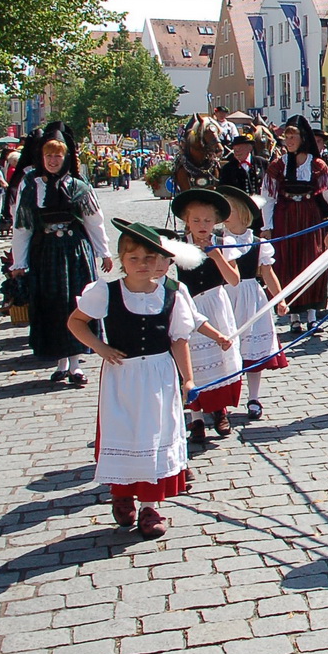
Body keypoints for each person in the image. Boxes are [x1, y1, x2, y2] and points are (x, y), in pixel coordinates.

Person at [68, 220, 230, 540]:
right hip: (122, 377)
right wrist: (100, 347)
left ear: (159, 260)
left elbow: (178, 339)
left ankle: (151, 506)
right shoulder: (106, 292)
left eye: (148, 258)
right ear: (121, 260)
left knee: (156, 434)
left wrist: (188, 380)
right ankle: (123, 492)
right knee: (125, 431)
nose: (142, 265)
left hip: (159, 375)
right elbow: (76, 321)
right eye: (133, 259)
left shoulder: (170, 295)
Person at [11, 123, 114, 387]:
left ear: (66, 157)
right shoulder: (31, 187)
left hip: (74, 251)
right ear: (41, 158)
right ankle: (61, 363)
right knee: (52, 304)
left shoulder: (78, 187)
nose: (53, 161)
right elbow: (22, 226)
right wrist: (19, 261)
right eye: (49, 156)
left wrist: (104, 252)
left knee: (76, 303)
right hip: (44, 253)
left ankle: (76, 364)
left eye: (58, 156)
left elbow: (94, 221)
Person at [170, 188, 244, 445]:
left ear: (217, 222)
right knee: (193, 361)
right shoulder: (177, 245)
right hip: (188, 305)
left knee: (219, 357)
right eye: (196, 221)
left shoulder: (224, 242)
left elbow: (234, 280)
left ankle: (220, 409)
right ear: (187, 222)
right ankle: (196, 418)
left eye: (208, 220)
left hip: (215, 304)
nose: (202, 226)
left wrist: (216, 256)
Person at [261, 115, 328, 335]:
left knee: (312, 261)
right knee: (288, 263)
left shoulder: (317, 165)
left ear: (303, 138)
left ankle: (312, 316)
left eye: (293, 136)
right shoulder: (277, 165)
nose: (288, 141)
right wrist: (267, 226)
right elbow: (268, 197)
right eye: (286, 136)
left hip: (309, 216)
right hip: (285, 217)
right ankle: (293, 316)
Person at [217, 185, 287, 422]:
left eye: (229, 209)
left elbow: (268, 273)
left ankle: (254, 397)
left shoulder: (257, 242)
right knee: (224, 348)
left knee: (251, 350)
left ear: (243, 213)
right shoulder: (218, 240)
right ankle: (222, 399)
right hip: (224, 296)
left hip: (250, 296)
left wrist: (279, 298)